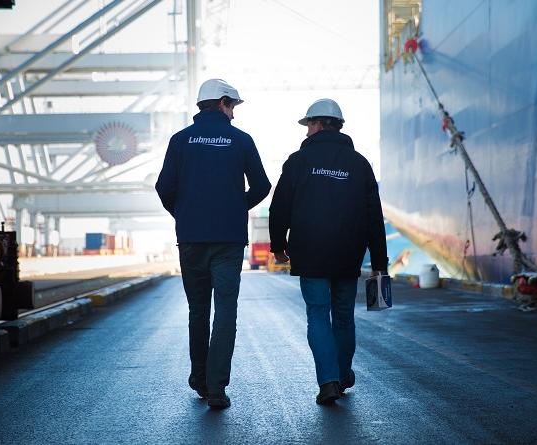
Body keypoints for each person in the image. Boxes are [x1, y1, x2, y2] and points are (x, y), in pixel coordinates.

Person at [155, 79, 271, 409]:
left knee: (198, 310)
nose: (234, 113)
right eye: (232, 105)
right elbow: (262, 185)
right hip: (229, 239)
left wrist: (184, 212)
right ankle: (217, 388)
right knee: (226, 311)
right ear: (221, 103)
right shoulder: (241, 140)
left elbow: (164, 187)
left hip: (191, 237)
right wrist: (236, 207)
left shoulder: (180, 141)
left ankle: (200, 378)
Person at [269, 98, 388, 405]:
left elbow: (280, 205)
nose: (307, 131)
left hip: (309, 252)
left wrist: (278, 245)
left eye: (308, 124)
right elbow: (374, 216)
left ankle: (329, 381)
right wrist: (378, 262)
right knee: (344, 317)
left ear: (319, 124)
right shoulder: (359, 164)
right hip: (348, 253)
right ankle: (343, 373)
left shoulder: (297, 162)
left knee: (318, 316)